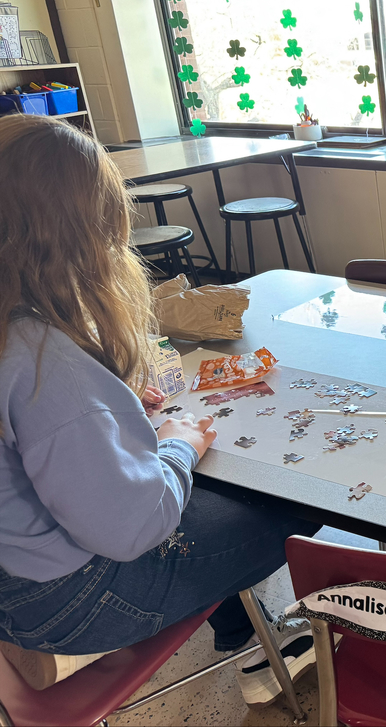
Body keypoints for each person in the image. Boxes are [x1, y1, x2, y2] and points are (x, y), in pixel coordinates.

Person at [0, 114, 320, 706]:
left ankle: (247, 637)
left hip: (15, 574)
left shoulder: (17, 336)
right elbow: (131, 527)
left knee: (213, 495)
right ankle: (282, 647)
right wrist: (176, 443)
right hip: (73, 598)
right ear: (80, 234)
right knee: (289, 505)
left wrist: (115, 416)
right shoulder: (44, 363)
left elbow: (50, 448)